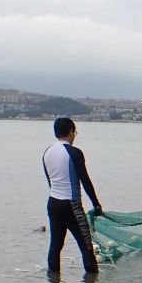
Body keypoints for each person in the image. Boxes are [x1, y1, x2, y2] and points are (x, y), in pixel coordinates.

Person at [43, 117, 103, 274]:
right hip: (71, 205)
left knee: (55, 245)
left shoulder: (47, 152)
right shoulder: (74, 153)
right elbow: (85, 180)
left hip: (53, 203)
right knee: (86, 245)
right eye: (74, 133)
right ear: (71, 132)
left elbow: (50, 181)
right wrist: (96, 204)